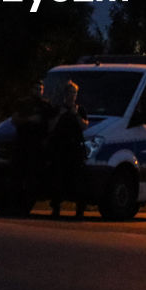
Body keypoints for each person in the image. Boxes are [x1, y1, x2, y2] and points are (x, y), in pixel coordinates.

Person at [47, 79, 88, 218]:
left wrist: (75, 114)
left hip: (75, 148)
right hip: (60, 148)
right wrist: (60, 114)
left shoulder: (80, 109)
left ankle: (80, 209)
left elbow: (84, 126)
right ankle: (56, 207)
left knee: (78, 179)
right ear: (65, 94)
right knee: (58, 178)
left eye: (74, 93)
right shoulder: (58, 109)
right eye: (70, 92)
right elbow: (50, 127)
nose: (72, 95)